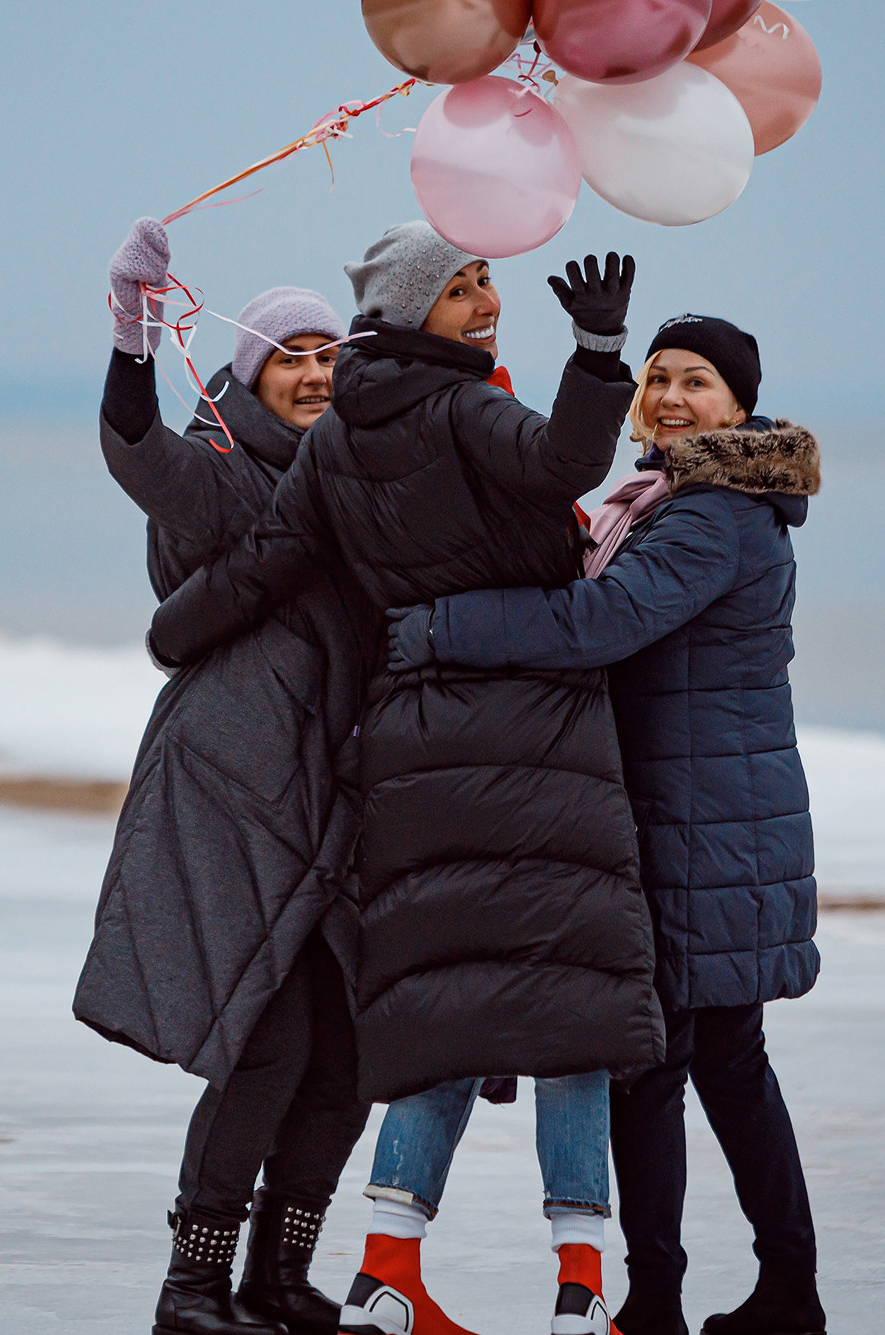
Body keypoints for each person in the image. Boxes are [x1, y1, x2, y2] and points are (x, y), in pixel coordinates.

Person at [149, 224, 665, 1335]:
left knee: (405, 1014)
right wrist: (598, 348)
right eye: (464, 286)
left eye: (485, 282)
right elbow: (566, 464)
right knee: (554, 1000)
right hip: (528, 729)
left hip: (408, 741)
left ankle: (345, 1269)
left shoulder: (341, 434)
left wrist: (173, 631)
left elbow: (276, 551)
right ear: (410, 307)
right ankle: (577, 1283)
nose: (485, 301)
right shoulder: (460, 404)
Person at [380, 316, 825, 1335]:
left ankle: (674, 1297)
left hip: (700, 827)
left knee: (668, 1062)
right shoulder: (679, 501)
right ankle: (773, 1288)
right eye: (658, 376)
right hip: (712, 819)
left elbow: (598, 623)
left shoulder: (710, 515)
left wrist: (440, 629)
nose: (670, 395)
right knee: (720, 1062)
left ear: (739, 407)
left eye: (697, 381)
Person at [77, 217, 377, 1335]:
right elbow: (131, 446)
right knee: (271, 1044)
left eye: (329, 355)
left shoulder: (363, 479)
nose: (314, 374)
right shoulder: (221, 469)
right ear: (251, 373)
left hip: (340, 800)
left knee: (346, 1055)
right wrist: (130, 334)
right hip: (238, 790)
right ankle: (191, 1287)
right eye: (291, 357)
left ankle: (277, 1277)